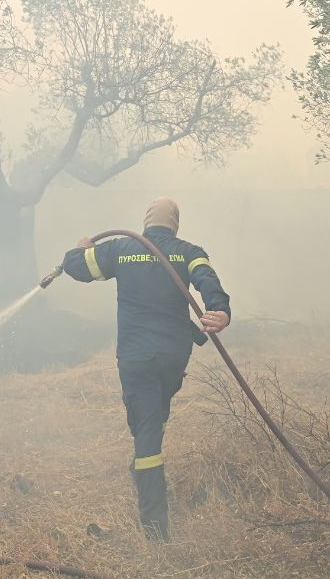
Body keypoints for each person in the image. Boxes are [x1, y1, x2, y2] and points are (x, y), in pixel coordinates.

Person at [61, 197, 231, 542]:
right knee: (153, 417)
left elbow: (75, 267)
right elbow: (206, 279)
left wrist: (80, 249)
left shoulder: (122, 249)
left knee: (147, 435)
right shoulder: (188, 251)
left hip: (136, 357)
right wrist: (220, 310)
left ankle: (154, 530)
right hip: (172, 357)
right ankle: (143, 468)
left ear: (146, 222)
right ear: (176, 224)